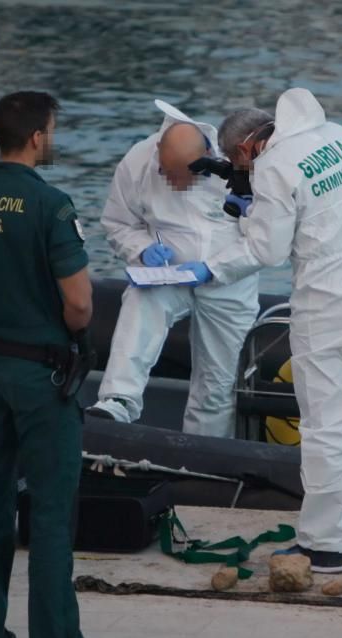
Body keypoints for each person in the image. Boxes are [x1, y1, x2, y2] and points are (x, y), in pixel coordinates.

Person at [205, 88, 342, 573]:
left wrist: (224, 246)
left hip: (332, 300)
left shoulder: (275, 165)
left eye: (235, 162)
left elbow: (266, 251)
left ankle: (322, 545)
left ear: (243, 150)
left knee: (327, 425)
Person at [0, 91, 123, 638]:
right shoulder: (50, 205)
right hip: (40, 373)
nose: (53, 140)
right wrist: (71, 333)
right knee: (51, 510)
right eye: (52, 132)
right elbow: (78, 303)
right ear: (35, 138)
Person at [87, 100, 259, 438]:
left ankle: (203, 454)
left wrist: (213, 268)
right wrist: (142, 249)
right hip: (167, 274)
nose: (166, 178)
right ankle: (117, 400)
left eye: (175, 175)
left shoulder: (244, 166)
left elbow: (266, 243)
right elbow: (118, 223)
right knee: (139, 304)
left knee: (217, 384)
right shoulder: (137, 160)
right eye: (163, 171)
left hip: (230, 280)